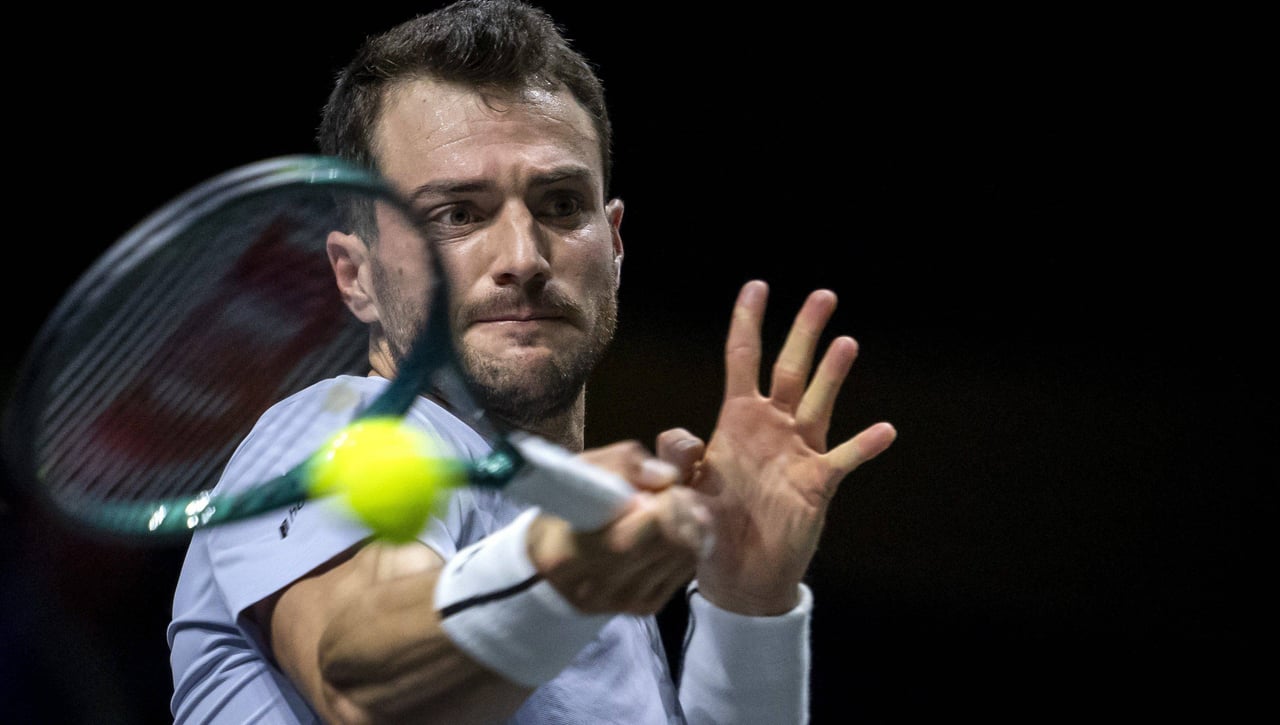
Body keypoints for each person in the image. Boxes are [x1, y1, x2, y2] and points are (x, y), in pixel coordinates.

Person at [167, 1, 897, 722]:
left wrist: (749, 608)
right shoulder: (340, 430)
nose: (522, 258)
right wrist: (560, 570)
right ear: (355, 275)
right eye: (458, 213)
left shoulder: (605, 586)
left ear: (613, 245)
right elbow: (365, 690)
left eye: (560, 203)